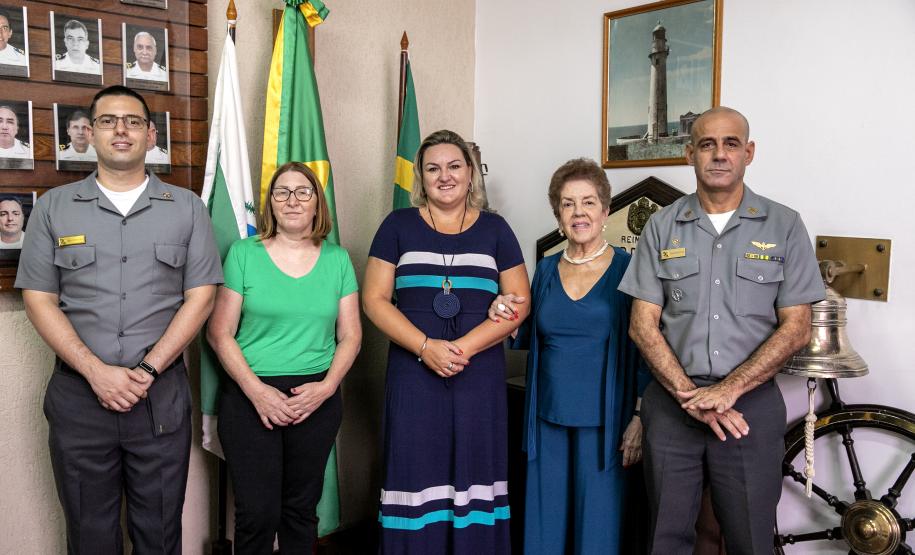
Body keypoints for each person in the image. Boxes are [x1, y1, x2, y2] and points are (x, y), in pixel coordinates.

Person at [15, 85, 223, 554]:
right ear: (89, 133)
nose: (121, 130)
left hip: (160, 398)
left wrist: (147, 371)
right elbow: (40, 299)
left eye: (132, 121)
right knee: (90, 534)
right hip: (80, 397)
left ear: (151, 135)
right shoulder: (54, 207)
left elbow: (201, 296)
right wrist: (96, 371)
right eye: (108, 121)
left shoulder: (187, 207)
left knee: (160, 531)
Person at [618, 106, 825, 554]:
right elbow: (642, 325)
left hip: (749, 409)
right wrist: (691, 397)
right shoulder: (661, 225)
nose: (719, 154)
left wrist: (729, 390)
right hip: (673, 408)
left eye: (731, 143)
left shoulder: (784, 225)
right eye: (707, 144)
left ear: (748, 153)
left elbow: (796, 327)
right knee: (665, 538)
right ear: (689, 153)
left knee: (751, 538)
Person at [363, 129, 531, 553]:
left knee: (476, 469)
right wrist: (425, 347)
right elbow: (374, 300)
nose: (445, 176)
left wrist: (465, 348)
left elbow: (520, 300)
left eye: (454, 166)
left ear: (470, 172)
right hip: (413, 372)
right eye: (433, 168)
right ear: (420, 175)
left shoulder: (496, 229)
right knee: (415, 468)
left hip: (478, 373)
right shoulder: (396, 226)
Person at [488, 158, 650, 554]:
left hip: (606, 425)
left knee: (598, 533)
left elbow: (648, 350)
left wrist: (639, 417)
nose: (579, 212)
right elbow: (518, 333)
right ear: (558, 214)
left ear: (605, 210)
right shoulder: (543, 270)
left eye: (588, 202)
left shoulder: (630, 270)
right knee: (545, 529)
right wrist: (498, 311)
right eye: (568, 204)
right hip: (546, 421)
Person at [207, 161, 361, 554]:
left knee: (300, 512)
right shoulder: (244, 254)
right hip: (250, 396)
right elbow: (219, 332)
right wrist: (257, 392)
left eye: (302, 192)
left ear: (317, 204)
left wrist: (326, 388)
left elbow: (351, 335)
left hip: (316, 397)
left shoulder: (338, 260)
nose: (292, 200)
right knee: (257, 514)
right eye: (282, 193)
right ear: (271, 204)